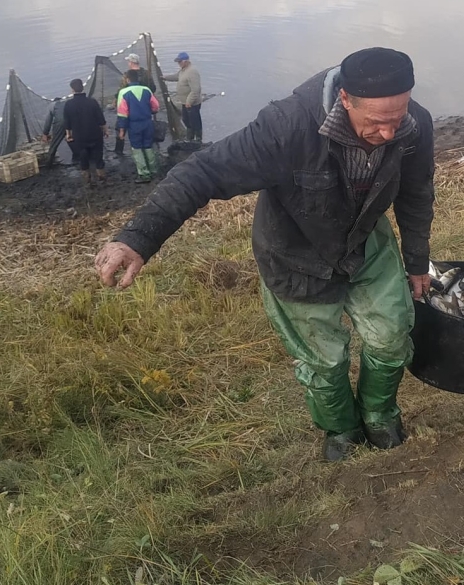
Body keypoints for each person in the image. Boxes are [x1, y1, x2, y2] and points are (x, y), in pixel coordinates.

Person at [94, 48, 436, 462]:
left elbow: (416, 194)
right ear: (345, 99)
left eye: (396, 119)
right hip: (294, 254)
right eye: (377, 123)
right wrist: (136, 239)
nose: (389, 134)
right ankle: (342, 429)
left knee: (391, 336)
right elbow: (203, 173)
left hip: (366, 240)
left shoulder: (413, 126)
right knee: (325, 361)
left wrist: (417, 261)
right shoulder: (285, 125)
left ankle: (379, 416)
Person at [116, 69, 161, 184]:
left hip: (134, 125)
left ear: (128, 79)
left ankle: (144, 174)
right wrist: (150, 112)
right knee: (148, 146)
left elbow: (122, 114)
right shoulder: (146, 90)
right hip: (147, 123)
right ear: (138, 79)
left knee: (137, 148)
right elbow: (156, 106)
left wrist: (122, 130)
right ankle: (154, 170)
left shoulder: (123, 92)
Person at [62, 78, 109, 186]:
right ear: (83, 88)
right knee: (98, 156)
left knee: (83, 158)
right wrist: (105, 130)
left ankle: (87, 180)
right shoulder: (92, 102)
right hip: (95, 134)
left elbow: (67, 122)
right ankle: (102, 178)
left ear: (72, 90)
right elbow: (100, 119)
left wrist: (68, 135)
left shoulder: (69, 104)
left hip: (79, 137)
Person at [115, 53, 157, 156]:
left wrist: (116, 101)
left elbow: (121, 91)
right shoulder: (147, 73)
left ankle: (119, 149)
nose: (128, 63)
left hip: (130, 106)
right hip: (145, 106)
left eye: (128, 61)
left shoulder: (127, 75)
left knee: (121, 126)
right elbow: (153, 88)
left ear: (131, 62)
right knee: (147, 130)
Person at [163, 52, 203, 142]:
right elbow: (176, 77)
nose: (179, 63)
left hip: (192, 103)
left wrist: (189, 101)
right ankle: (190, 137)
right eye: (178, 62)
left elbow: (196, 89)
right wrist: (165, 78)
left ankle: (198, 139)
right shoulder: (183, 70)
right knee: (186, 120)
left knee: (195, 121)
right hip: (185, 102)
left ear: (186, 61)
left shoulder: (192, 72)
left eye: (180, 61)